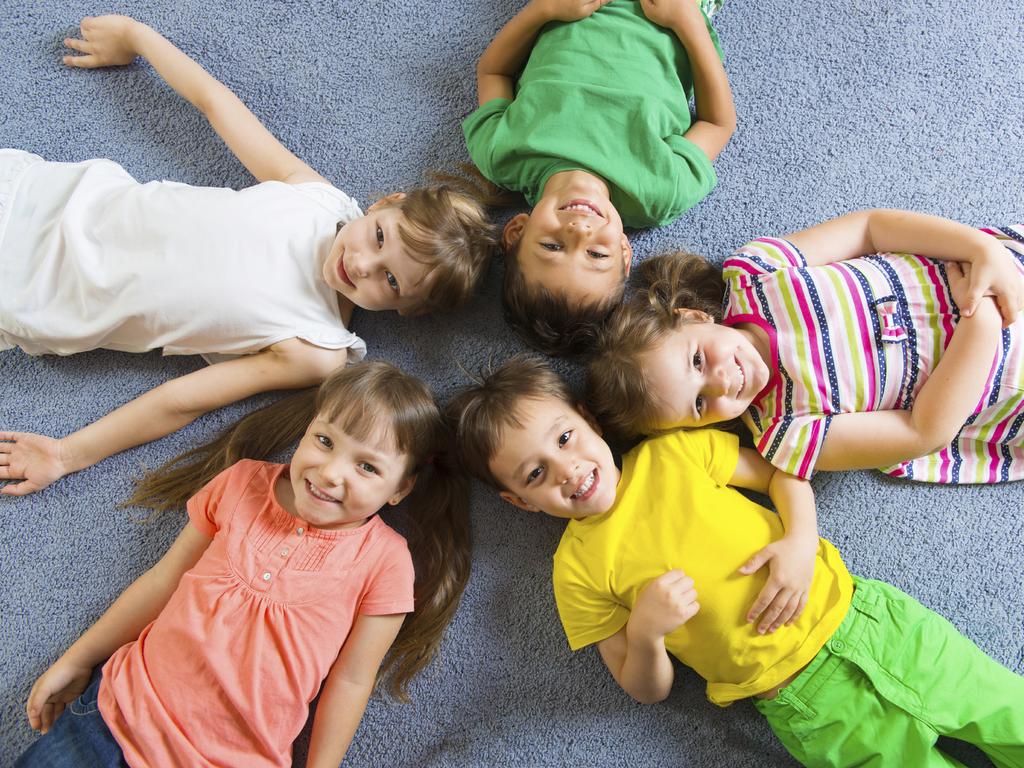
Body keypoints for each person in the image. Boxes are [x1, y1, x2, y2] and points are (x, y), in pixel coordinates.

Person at [0, 14, 498, 496]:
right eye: (381, 238)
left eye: (389, 281)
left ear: (408, 311)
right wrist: (139, 37)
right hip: (44, 198)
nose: (363, 264)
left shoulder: (317, 348)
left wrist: (68, 454)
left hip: (38, 293)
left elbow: (181, 400)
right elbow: (219, 105)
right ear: (385, 202)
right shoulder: (319, 200)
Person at [446, 354, 1024, 767]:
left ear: (589, 422)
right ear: (518, 502)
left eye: (564, 438)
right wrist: (646, 633)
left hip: (870, 621)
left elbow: (782, 471)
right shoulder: (575, 571)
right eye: (536, 474)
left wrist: (800, 542)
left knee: (1006, 712)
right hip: (804, 702)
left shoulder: (673, 452)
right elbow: (643, 688)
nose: (566, 470)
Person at [17, 360, 471, 768]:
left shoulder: (386, 560)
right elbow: (163, 581)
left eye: (367, 468)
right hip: (115, 717)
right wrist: (79, 657)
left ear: (400, 489)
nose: (332, 472)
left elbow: (352, 681)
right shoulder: (241, 482)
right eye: (324, 440)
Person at [587, 209, 1024, 483]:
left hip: (989, 268)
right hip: (1003, 372)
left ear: (694, 316)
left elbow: (871, 229)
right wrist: (981, 321)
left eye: (698, 360)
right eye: (699, 405)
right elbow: (921, 431)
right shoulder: (785, 433)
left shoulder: (755, 273)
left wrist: (979, 247)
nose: (721, 384)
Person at [463, 0, 735, 355]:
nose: (578, 231)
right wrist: (689, 22)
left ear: (516, 232)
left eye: (551, 246)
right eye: (596, 254)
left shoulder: (503, 154)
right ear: (624, 252)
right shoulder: (658, 191)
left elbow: (492, 73)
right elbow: (717, 124)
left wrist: (544, 10)